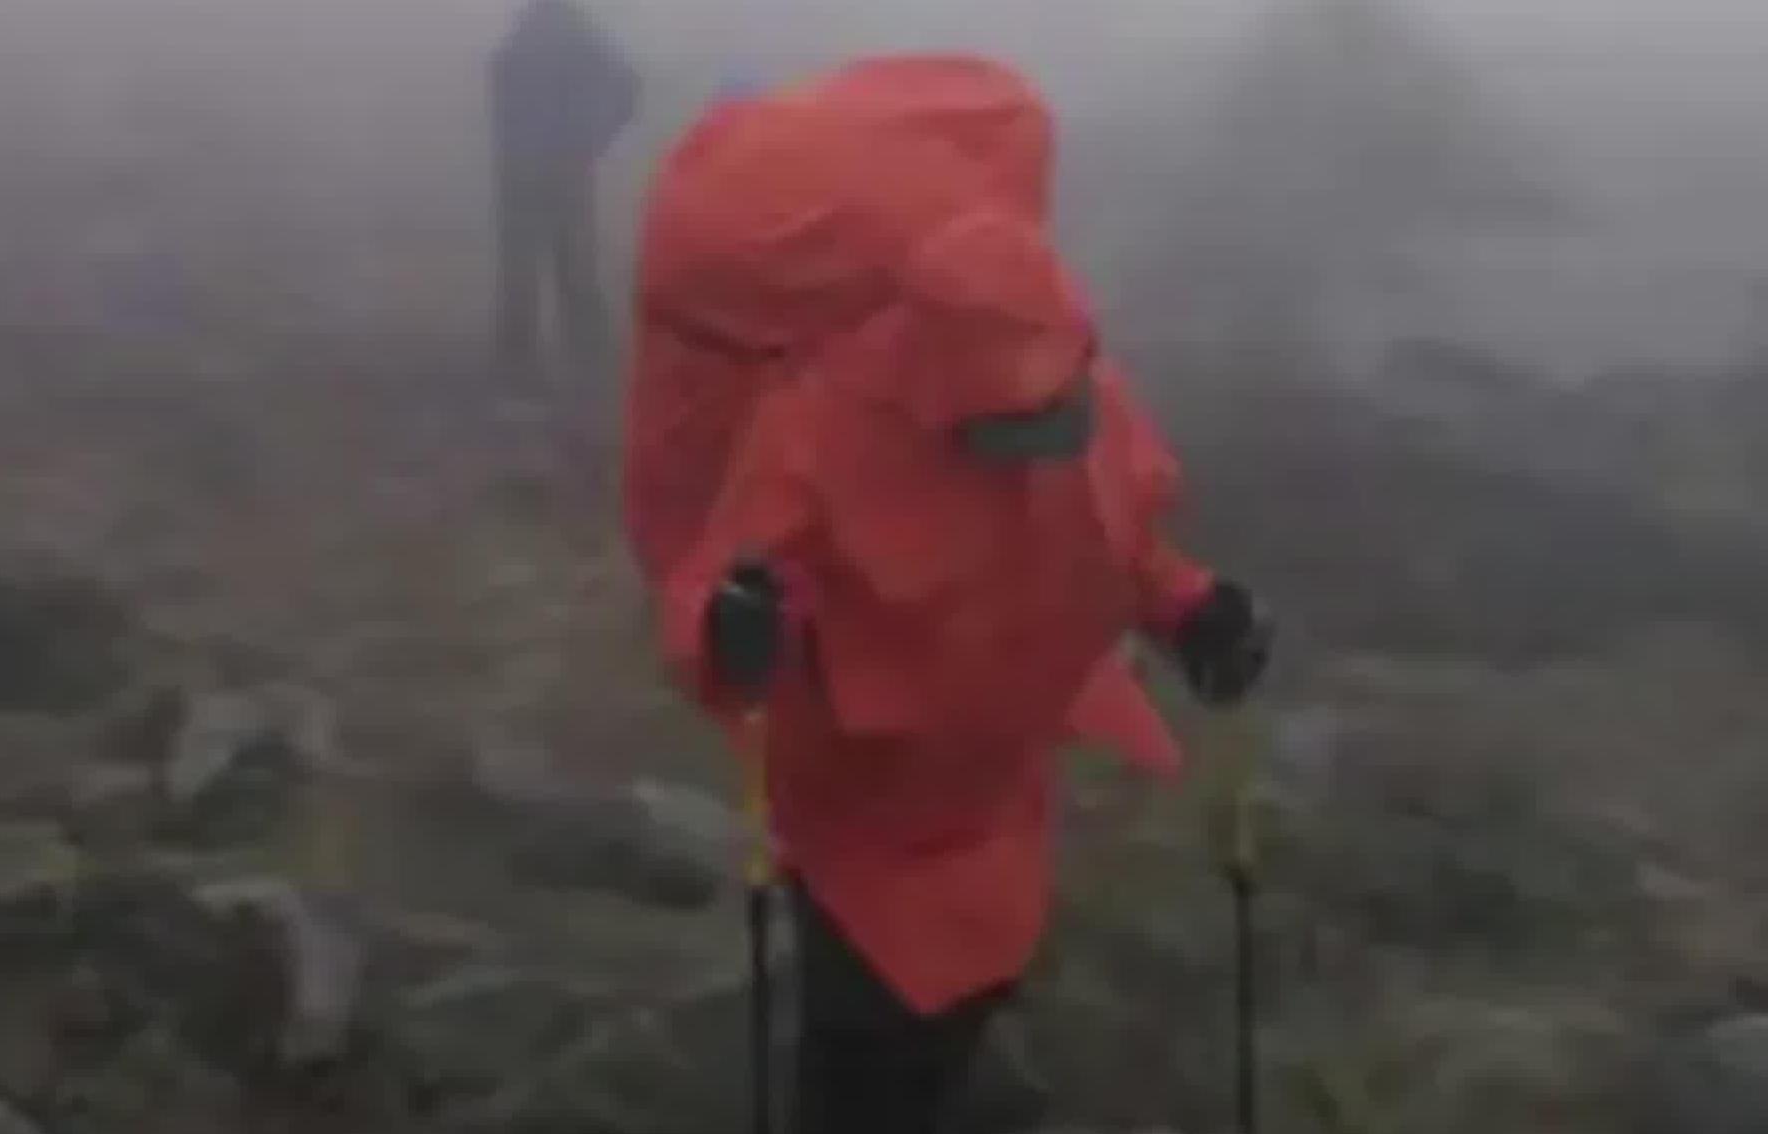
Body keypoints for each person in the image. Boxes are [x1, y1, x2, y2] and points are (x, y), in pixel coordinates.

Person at [622, 56, 1274, 1134]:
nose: (1043, 446)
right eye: (1016, 430)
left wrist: (1195, 612)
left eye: (1057, 417)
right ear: (939, 380)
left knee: (960, 1014)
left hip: (997, 802)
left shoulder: (1080, 398)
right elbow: (712, 588)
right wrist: (727, 632)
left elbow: (1123, 543)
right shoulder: (819, 429)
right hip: (859, 822)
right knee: (859, 1055)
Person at [488, 0, 640, 382]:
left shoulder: (532, 34)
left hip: (532, 167)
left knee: (531, 265)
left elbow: (626, 85)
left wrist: (592, 137)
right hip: (556, 165)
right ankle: (583, 357)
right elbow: (627, 84)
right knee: (568, 262)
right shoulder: (567, 31)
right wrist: (595, 137)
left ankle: (525, 359)